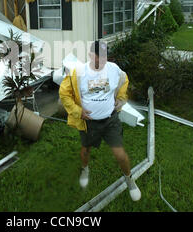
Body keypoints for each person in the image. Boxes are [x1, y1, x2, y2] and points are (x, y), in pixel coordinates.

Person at [59, 41, 141, 201]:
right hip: (89, 124)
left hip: (110, 120)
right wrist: (77, 111)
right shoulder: (78, 72)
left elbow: (124, 80)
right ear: (90, 56)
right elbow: (64, 93)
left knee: (120, 154)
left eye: (104, 59)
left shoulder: (113, 69)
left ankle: (129, 179)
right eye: (98, 60)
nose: (102, 63)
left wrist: (122, 98)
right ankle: (85, 169)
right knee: (85, 150)